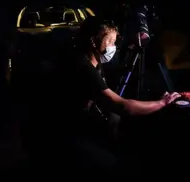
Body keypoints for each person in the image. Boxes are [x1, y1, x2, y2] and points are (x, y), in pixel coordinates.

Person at [47, 16, 180, 173]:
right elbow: (123, 107)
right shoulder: (83, 67)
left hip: (78, 125)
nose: (113, 47)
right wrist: (162, 103)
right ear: (93, 41)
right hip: (66, 134)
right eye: (110, 42)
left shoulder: (92, 58)